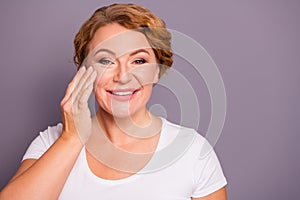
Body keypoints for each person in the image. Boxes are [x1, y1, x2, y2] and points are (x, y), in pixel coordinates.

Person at [0, 3, 227, 200]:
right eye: (106, 60)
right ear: (85, 71)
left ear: (157, 71)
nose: (123, 76)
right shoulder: (50, 142)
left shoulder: (193, 151)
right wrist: (72, 138)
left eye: (138, 60)